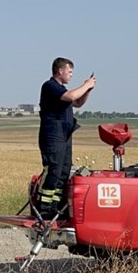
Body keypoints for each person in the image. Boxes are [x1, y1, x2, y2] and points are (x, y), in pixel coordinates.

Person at [35, 57, 97, 218]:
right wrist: (86, 85)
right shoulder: (50, 86)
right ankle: (44, 206)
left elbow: (77, 103)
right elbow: (71, 97)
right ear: (60, 71)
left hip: (65, 134)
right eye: (70, 72)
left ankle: (55, 205)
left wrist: (88, 90)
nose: (71, 75)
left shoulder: (63, 90)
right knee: (53, 168)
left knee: (64, 169)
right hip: (52, 135)